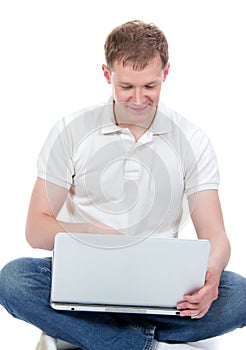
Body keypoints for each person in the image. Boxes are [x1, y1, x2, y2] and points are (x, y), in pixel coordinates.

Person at [0, 20, 245, 350]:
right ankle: (143, 342)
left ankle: (105, 336)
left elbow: (215, 235)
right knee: (13, 279)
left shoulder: (192, 140)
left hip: (163, 287)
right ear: (107, 74)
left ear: (166, 73)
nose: (139, 99)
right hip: (85, 278)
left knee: (239, 295)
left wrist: (212, 274)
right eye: (126, 86)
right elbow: (35, 229)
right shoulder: (72, 131)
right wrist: (90, 234)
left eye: (150, 86)